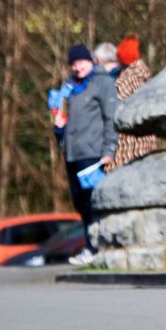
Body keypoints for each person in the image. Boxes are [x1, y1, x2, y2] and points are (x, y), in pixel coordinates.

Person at [54, 43, 118, 267]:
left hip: (93, 154)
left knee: (94, 202)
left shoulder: (103, 83)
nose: (76, 66)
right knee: (80, 203)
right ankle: (91, 246)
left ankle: (96, 247)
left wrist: (109, 149)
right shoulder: (70, 87)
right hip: (72, 154)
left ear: (91, 61)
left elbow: (112, 119)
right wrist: (60, 132)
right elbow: (63, 117)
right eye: (73, 63)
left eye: (80, 61)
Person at [113, 33, 156, 166]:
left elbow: (113, 110)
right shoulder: (147, 79)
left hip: (127, 146)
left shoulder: (124, 82)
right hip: (148, 141)